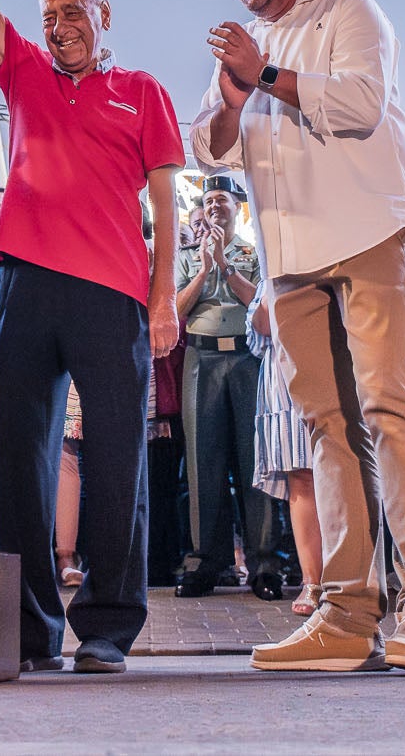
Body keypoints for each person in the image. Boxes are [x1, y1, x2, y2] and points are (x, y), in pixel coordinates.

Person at [192, 0, 405, 675]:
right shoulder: (244, 48)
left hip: (368, 231)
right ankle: (346, 609)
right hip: (290, 252)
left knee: (394, 409)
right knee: (326, 429)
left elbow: (360, 103)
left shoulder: (348, 8)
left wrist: (263, 73)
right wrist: (236, 93)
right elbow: (208, 144)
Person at [0, 0, 180, 674]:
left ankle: (109, 629)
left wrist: (163, 298)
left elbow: (167, 205)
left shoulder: (143, 90)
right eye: (50, 14)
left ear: (103, 13)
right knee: (18, 456)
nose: (59, 26)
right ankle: (28, 629)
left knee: (118, 456)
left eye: (73, 12)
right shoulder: (22, 71)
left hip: (112, 290)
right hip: (23, 282)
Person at [173, 175, 279, 600]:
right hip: (201, 358)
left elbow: (261, 304)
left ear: (239, 207)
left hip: (246, 358)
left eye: (223, 199)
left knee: (256, 461)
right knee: (202, 463)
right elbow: (175, 309)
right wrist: (204, 268)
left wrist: (227, 265)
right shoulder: (184, 256)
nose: (215, 205)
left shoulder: (254, 255)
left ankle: (265, 564)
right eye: (209, 200)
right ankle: (204, 562)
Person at [248, 291, 320, 616]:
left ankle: (348, 580)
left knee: (340, 479)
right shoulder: (271, 272)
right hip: (282, 379)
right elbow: (260, 327)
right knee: (300, 479)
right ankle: (312, 581)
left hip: (325, 367)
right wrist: (272, 285)